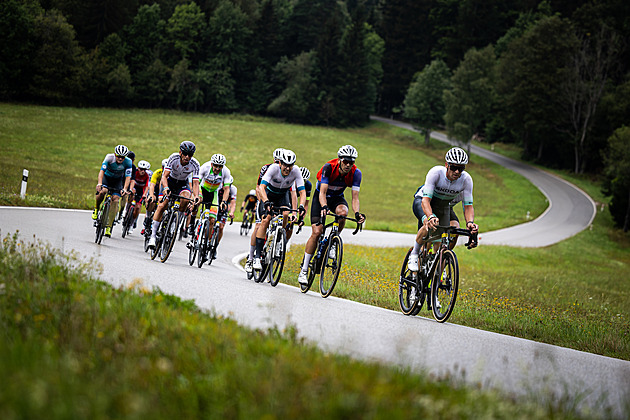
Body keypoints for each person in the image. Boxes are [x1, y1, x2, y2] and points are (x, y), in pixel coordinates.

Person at [297, 145, 366, 285]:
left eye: (351, 162)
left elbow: (355, 197)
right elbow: (322, 192)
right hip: (320, 197)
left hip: (336, 198)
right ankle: (303, 271)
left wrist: (357, 213)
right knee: (317, 232)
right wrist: (324, 206)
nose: (348, 165)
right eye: (345, 161)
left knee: (343, 213)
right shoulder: (329, 167)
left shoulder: (356, 173)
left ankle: (334, 241)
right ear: (340, 160)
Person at [406, 147, 479, 272]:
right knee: (428, 225)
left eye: (460, 169)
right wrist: (430, 216)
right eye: (453, 167)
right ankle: (414, 255)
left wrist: (470, 223)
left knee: (453, 230)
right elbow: (426, 200)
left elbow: (468, 206)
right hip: (423, 201)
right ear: (446, 165)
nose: (457, 171)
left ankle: (440, 260)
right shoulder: (436, 173)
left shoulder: (466, 180)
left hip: (444, 206)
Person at [252, 149, 307, 271]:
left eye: (290, 165)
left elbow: (302, 192)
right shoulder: (273, 168)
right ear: (280, 163)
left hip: (282, 195)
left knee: (286, 213)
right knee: (266, 220)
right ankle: (256, 257)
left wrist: (300, 207)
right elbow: (261, 187)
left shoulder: (296, 171)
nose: (288, 168)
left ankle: (278, 242)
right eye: (285, 165)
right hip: (268, 194)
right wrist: (265, 201)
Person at [147, 141, 200, 249]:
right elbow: (164, 176)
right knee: (162, 205)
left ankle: (175, 224)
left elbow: (195, 183)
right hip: (169, 182)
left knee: (185, 199)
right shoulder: (173, 158)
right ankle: (152, 237)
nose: (187, 157)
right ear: (180, 152)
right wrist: (165, 188)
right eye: (185, 154)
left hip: (182, 184)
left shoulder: (195, 164)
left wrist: (196, 196)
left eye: (190, 155)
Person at [244, 148, 284, 274]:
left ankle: (275, 246)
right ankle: (250, 259)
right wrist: (261, 202)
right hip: (264, 198)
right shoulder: (266, 168)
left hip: (277, 199)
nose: (278, 164)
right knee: (259, 225)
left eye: (280, 162)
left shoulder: (286, 172)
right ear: (273, 160)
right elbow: (258, 187)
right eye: (276, 161)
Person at [188, 153, 232, 260]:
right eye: (215, 165)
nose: (217, 168)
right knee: (197, 202)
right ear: (212, 164)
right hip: (202, 189)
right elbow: (196, 183)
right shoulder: (205, 167)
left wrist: (224, 202)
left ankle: (206, 244)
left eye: (220, 166)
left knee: (212, 220)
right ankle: (192, 223)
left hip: (214, 193)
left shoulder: (226, 172)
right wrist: (196, 195)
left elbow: (226, 189)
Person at [92, 145, 133, 237]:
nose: (120, 158)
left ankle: (109, 226)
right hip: (107, 178)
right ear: (115, 154)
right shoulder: (109, 158)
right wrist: (99, 183)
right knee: (103, 191)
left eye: (122, 157)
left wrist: (125, 189)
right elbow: (102, 171)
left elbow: (128, 177)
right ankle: (96, 208)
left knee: (115, 199)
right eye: (118, 156)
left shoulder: (128, 162)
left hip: (117, 181)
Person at [122, 159, 151, 235]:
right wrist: (131, 189)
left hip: (141, 191)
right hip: (134, 188)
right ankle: (126, 209)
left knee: (137, 207)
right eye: (141, 169)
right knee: (131, 197)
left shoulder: (147, 176)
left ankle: (132, 223)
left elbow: (147, 187)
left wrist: (145, 194)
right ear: (138, 168)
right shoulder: (135, 172)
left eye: (144, 170)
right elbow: (131, 181)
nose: (142, 171)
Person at [142, 158, 167, 236]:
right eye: (164, 168)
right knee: (151, 201)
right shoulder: (157, 173)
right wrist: (151, 195)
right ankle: (148, 217)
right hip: (155, 190)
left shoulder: (170, 175)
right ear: (162, 167)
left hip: (163, 191)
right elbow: (152, 185)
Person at [286, 166, 312, 241]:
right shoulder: (290, 180)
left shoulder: (308, 186)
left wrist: (301, 219)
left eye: (303, 181)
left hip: (294, 201)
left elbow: (305, 204)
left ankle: (284, 243)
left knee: (292, 221)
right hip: (286, 196)